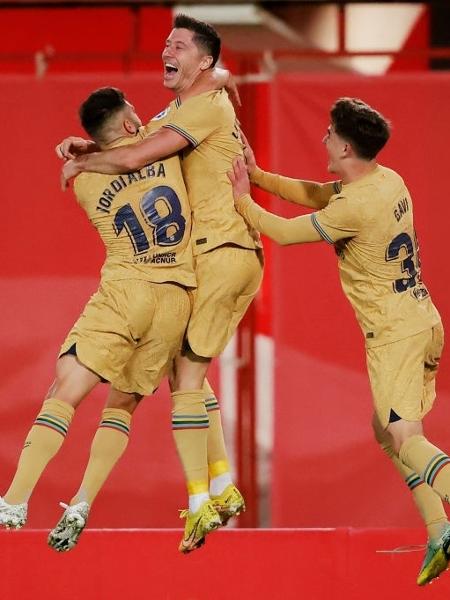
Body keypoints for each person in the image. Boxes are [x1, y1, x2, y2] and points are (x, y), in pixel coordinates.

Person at [56, 14, 263, 553]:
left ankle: (202, 503)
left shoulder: (202, 105)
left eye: (178, 46)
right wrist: (84, 144)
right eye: (165, 45)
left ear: (204, 60)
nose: (165, 52)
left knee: (186, 379)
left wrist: (85, 163)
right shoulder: (180, 109)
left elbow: (130, 154)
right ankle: (221, 486)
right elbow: (136, 136)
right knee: (184, 367)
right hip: (216, 255)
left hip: (222, 251)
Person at [228, 98, 450, 587]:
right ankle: (439, 531)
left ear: (346, 146)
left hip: (394, 334)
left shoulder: (356, 204)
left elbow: (284, 234)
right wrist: (260, 175)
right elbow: (317, 195)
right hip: (423, 321)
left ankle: (444, 524)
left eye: (329, 133)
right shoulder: (387, 181)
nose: (323, 139)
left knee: (405, 438)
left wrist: (242, 197)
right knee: (386, 430)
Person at [0, 86, 197, 552]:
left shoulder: (85, 183)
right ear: (131, 124)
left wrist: (85, 151)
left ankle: (14, 500)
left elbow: (120, 158)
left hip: (126, 292)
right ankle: (84, 501)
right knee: (122, 405)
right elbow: (141, 146)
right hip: (176, 299)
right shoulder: (166, 140)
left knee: (64, 390)